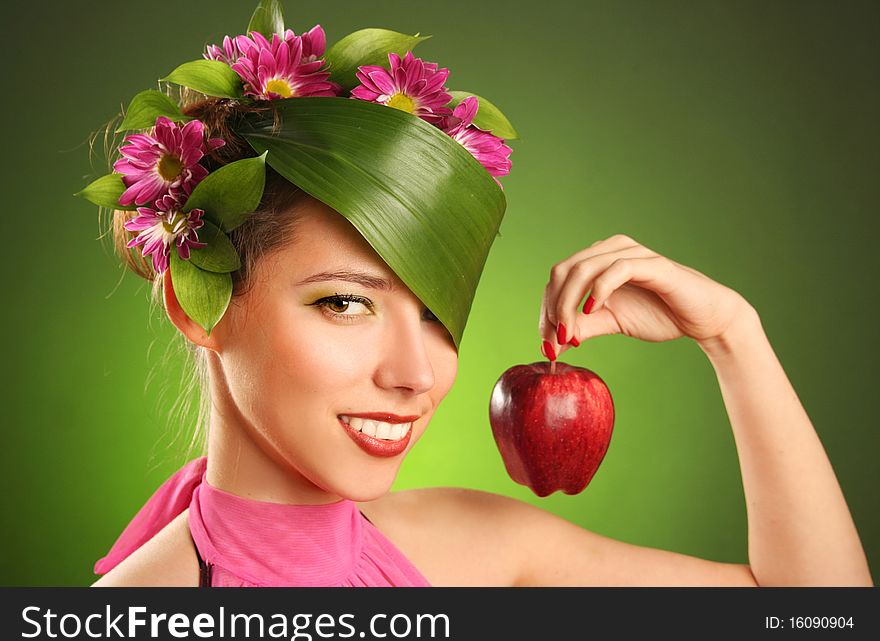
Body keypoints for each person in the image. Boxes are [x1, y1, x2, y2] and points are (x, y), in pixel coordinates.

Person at [85, 2, 872, 587]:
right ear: (200, 309)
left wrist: (735, 334)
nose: (417, 375)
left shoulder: (470, 546)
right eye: (345, 302)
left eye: (435, 313)